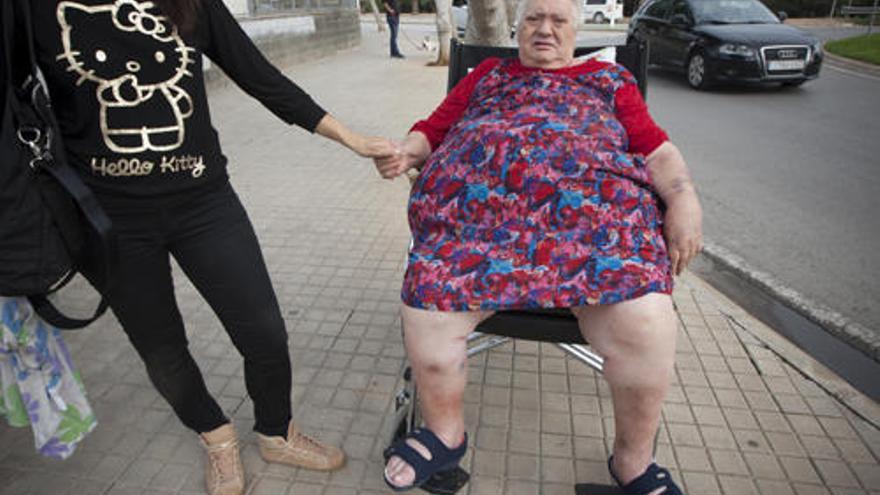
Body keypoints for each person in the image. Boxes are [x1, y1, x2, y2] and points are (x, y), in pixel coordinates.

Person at [29, 1, 395, 494]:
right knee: (161, 346)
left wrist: (352, 139)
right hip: (106, 219)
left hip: (204, 203)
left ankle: (276, 431)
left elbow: (259, 76)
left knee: (264, 330)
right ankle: (216, 436)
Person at [372, 0, 703, 492]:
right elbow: (433, 130)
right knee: (427, 298)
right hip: (479, 235)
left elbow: (657, 150)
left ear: (576, 29)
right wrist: (405, 151)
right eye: (533, 19)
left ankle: (632, 460)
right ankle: (445, 432)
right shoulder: (486, 75)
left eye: (558, 20)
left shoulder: (609, 82)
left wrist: (683, 200)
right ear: (518, 27)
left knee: (648, 321)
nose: (544, 30)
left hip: (593, 241)